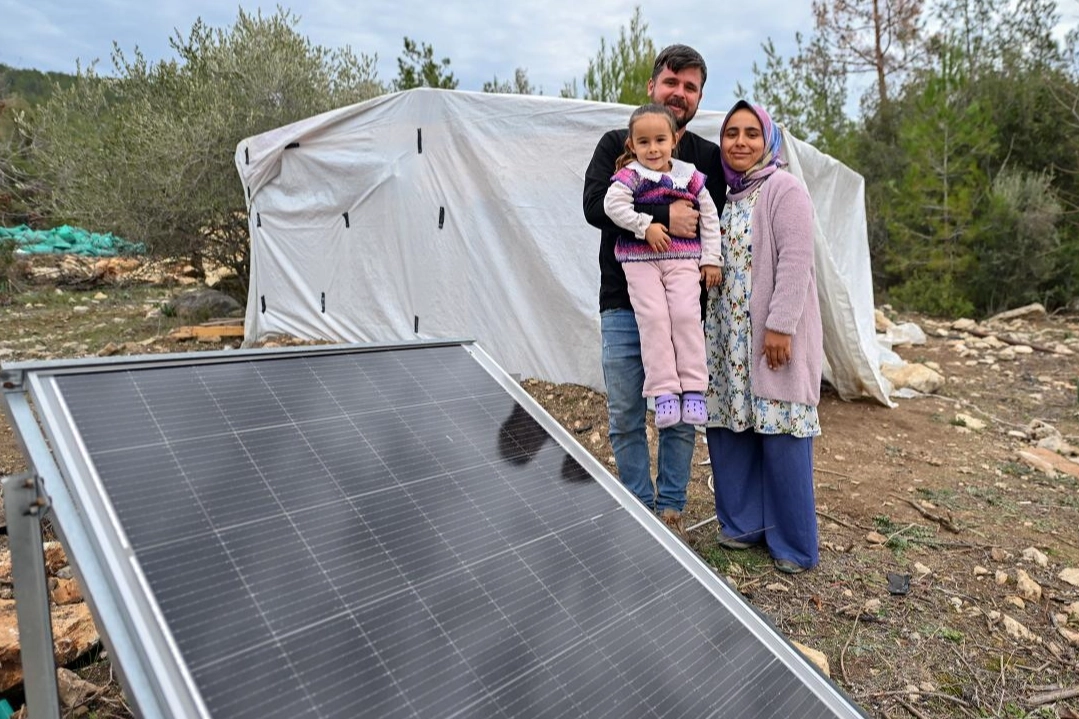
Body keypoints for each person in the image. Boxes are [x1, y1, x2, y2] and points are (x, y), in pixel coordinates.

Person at [583, 45, 724, 538]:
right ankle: (638, 506)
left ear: (699, 97)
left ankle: (670, 507)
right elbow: (595, 206)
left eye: (690, 87)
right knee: (625, 411)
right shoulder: (615, 144)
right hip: (624, 301)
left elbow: (712, 221)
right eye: (671, 82)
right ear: (652, 87)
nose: (679, 93)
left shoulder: (706, 157)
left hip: (685, 300)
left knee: (681, 406)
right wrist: (664, 217)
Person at [703, 100, 823, 574]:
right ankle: (742, 525)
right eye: (731, 133)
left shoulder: (783, 188)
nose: (740, 142)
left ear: (768, 140)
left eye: (751, 133)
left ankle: (794, 545)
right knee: (732, 429)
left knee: (782, 434)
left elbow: (797, 261)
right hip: (729, 339)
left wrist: (780, 325)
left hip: (770, 339)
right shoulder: (728, 198)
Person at [602, 104, 722, 431]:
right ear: (632, 145)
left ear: (673, 141)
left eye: (659, 140)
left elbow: (709, 217)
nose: (652, 149)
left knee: (685, 315)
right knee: (653, 319)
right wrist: (646, 226)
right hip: (640, 262)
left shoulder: (689, 175)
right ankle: (664, 391)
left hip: (682, 258)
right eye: (644, 142)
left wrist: (712, 258)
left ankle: (695, 388)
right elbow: (611, 206)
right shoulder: (630, 176)